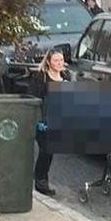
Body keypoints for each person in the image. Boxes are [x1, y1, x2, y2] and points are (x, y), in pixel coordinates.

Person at [29, 49, 70, 196]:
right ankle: (40, 181)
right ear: (48, 62)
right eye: (56, 60)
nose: (59, 63)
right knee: (46, 149)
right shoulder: (41, 78)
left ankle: (41, 178)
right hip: (43, 120)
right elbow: (33, 99)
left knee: (50, 151)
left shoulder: (66, 76)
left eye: (61, 60)